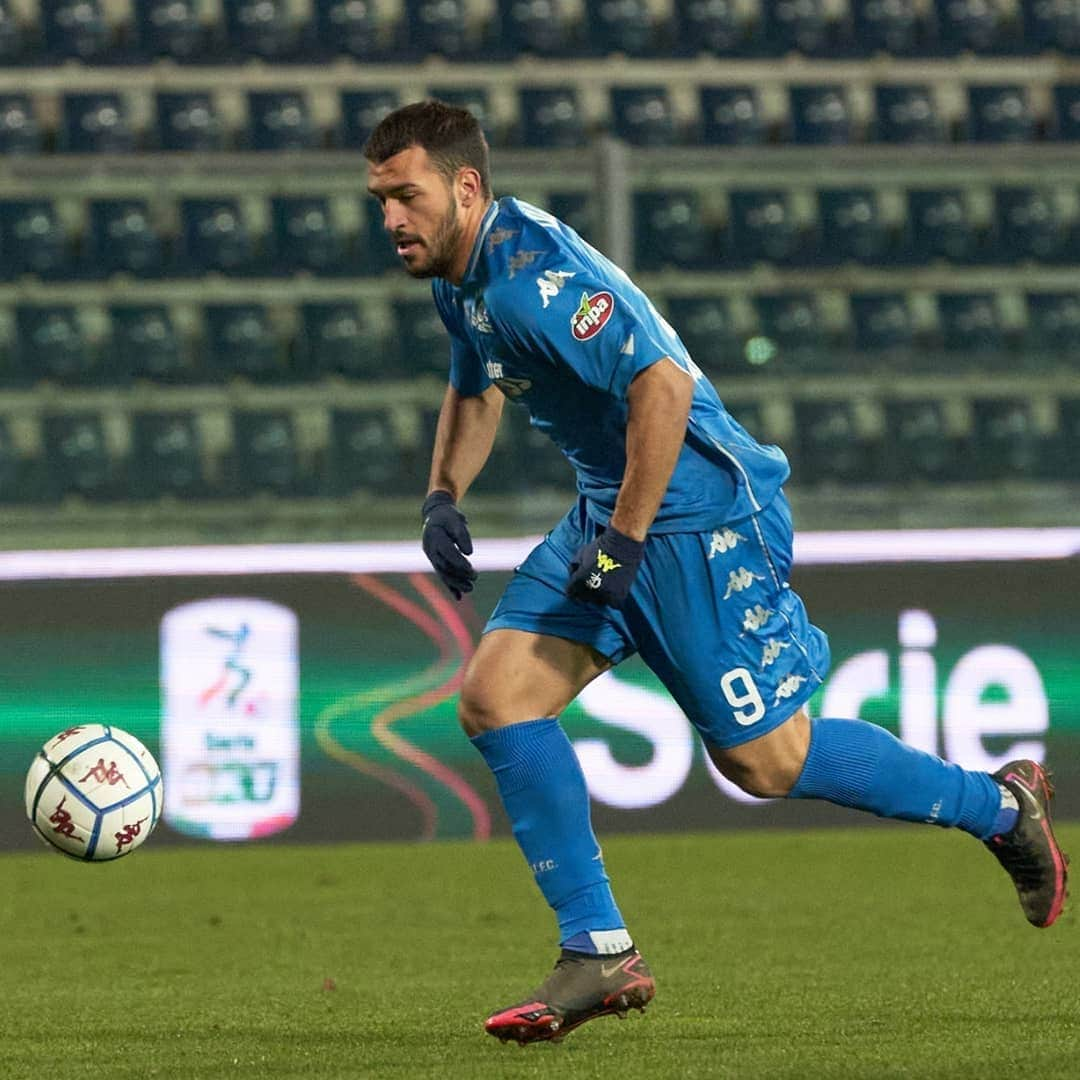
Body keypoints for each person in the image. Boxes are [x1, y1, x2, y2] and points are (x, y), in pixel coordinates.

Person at [363, 100, 1070, 1045]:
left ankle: (1000, 808)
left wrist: (624, 541)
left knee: (765, 763)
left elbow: (665, 386)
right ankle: (599, 949)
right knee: (496, 697)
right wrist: (443, 496)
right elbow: (475, 383)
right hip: (612, 505)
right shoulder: (463, 277)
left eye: (405, 196)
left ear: (465, 186)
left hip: (695, 517)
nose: (391, 221)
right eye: (380, 201)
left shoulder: (540, 275)